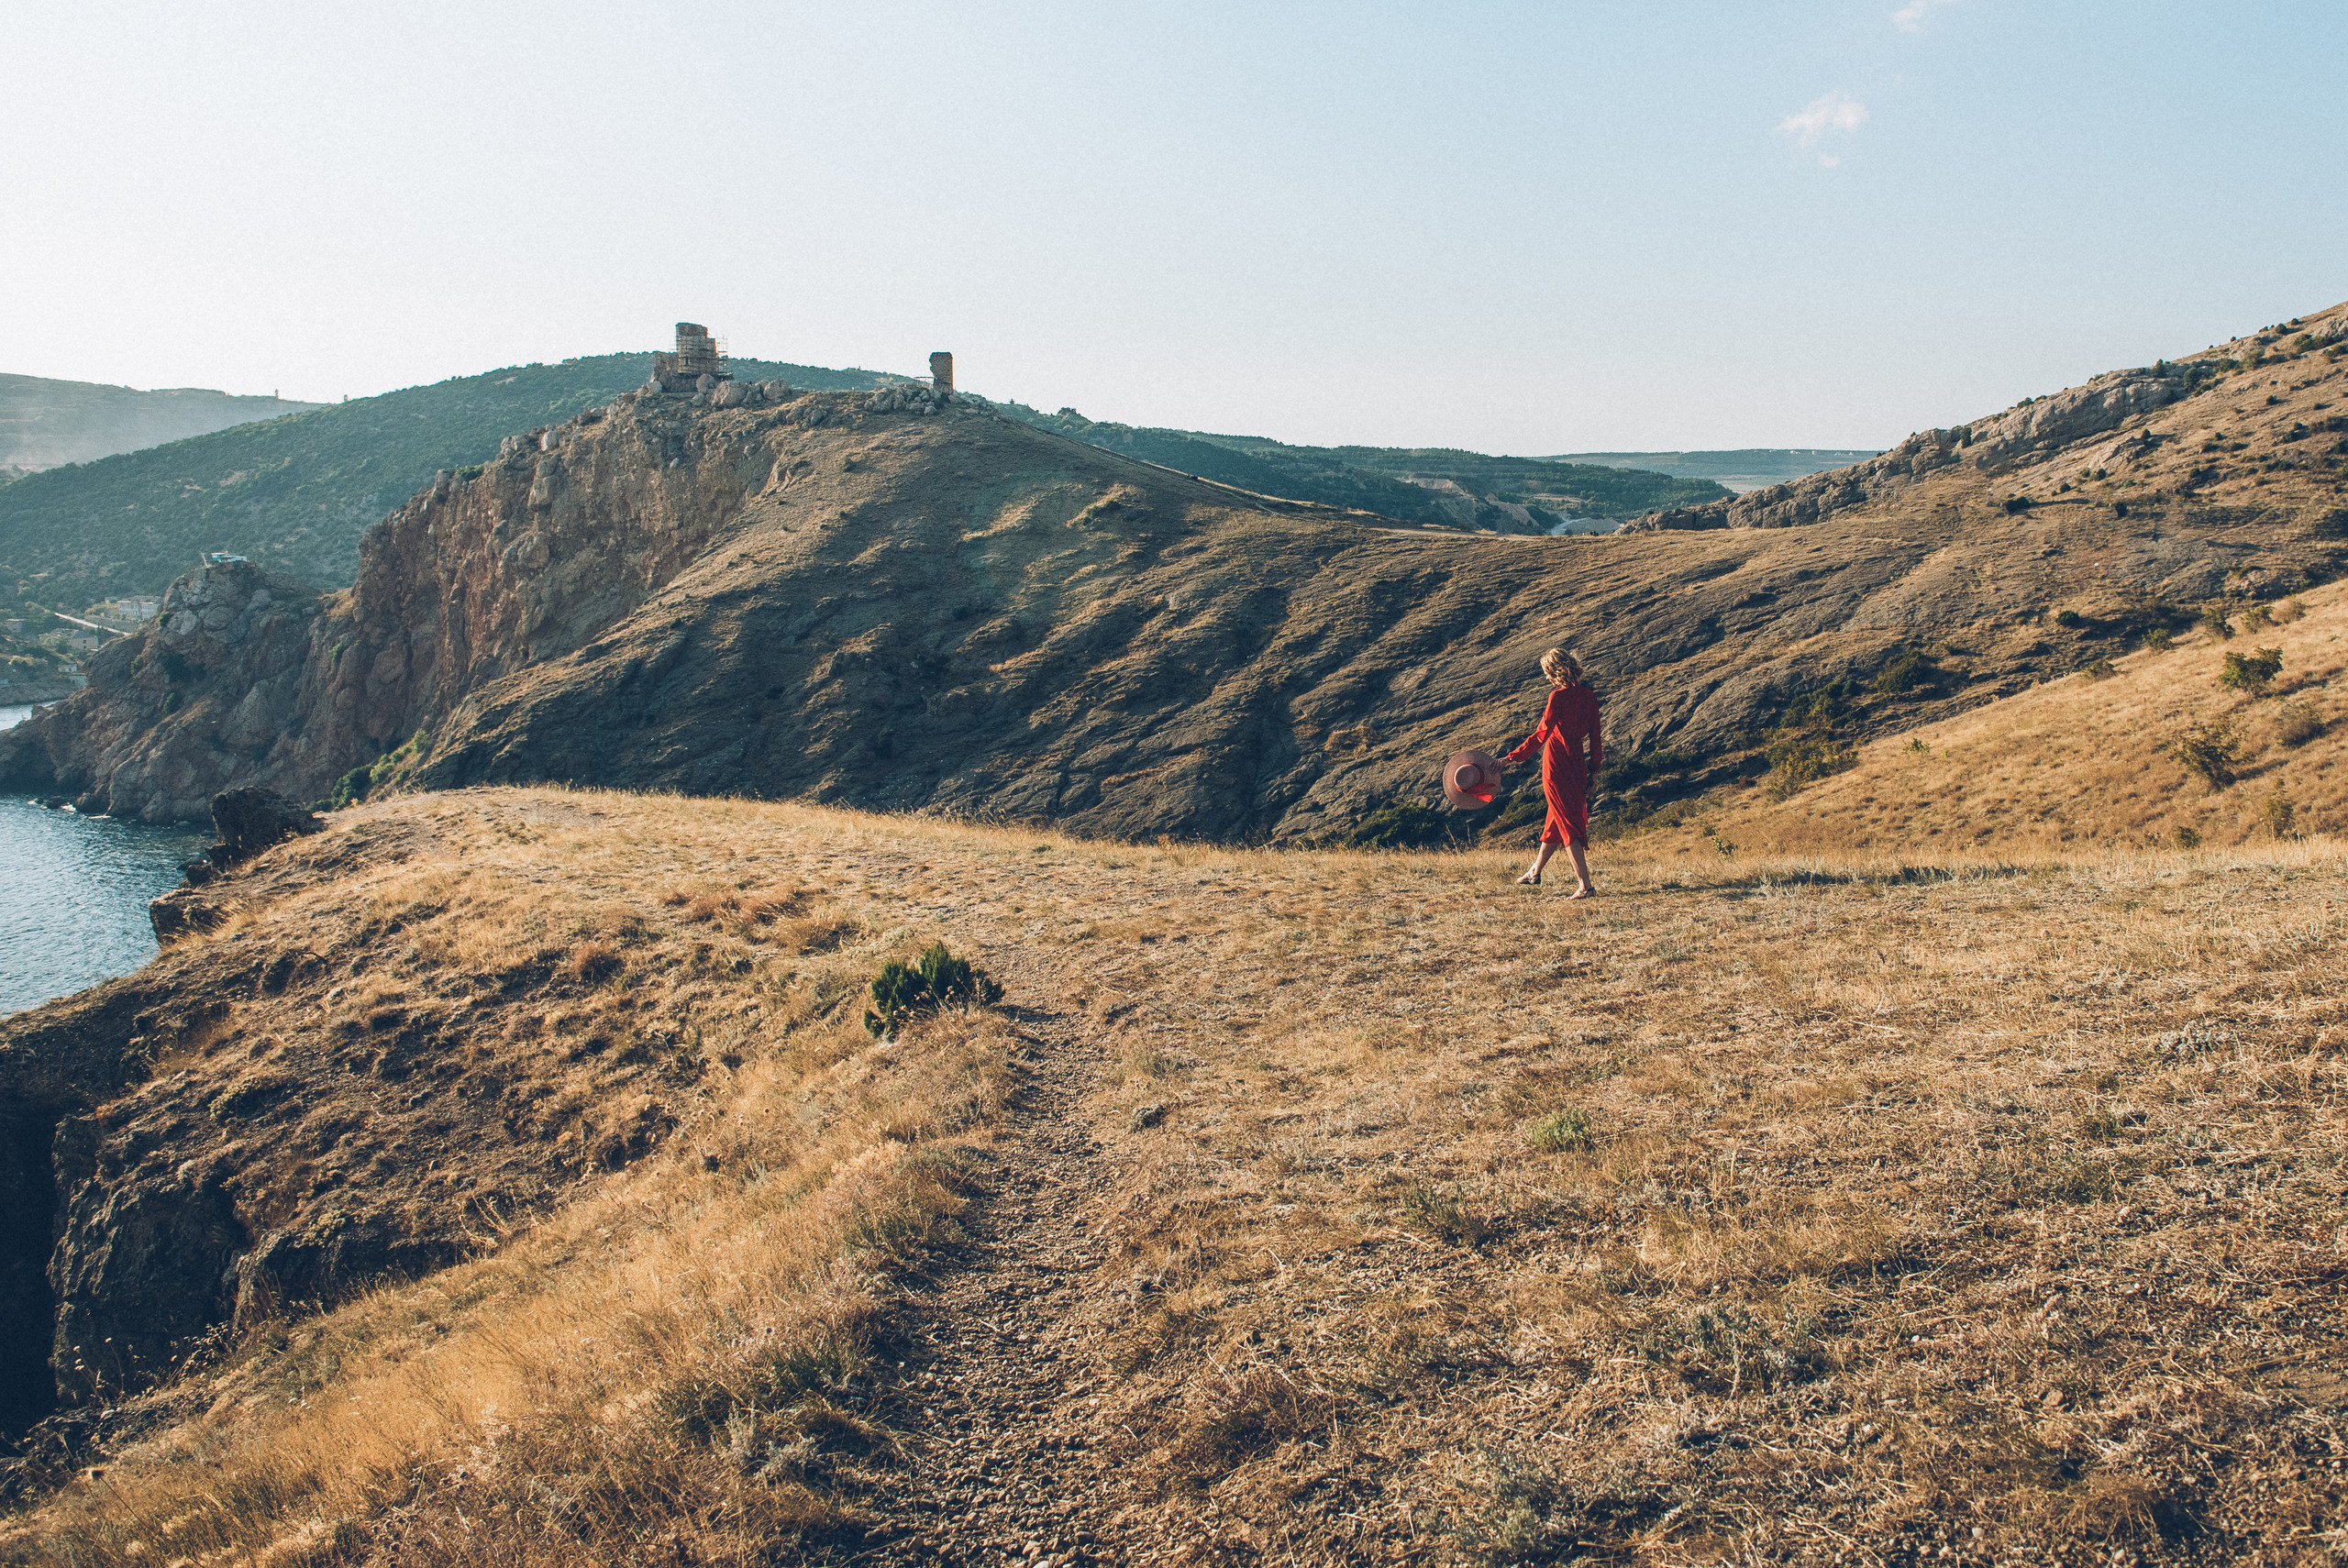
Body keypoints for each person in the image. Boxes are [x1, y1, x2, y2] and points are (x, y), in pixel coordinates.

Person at [1501, 647, 1601, 896]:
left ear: (1556, 671)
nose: (1547, 678)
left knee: (1568, 824)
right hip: (1578, 762)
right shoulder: (1589, 696)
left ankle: (1585, 886)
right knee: (1556, 819)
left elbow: (1541, 734)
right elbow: (1596, 738)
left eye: (1547, 673)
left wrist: (1512, 758)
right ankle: (1535, 871)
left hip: (1556, 763)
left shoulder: (1557, 697)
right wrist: (1594, 772)